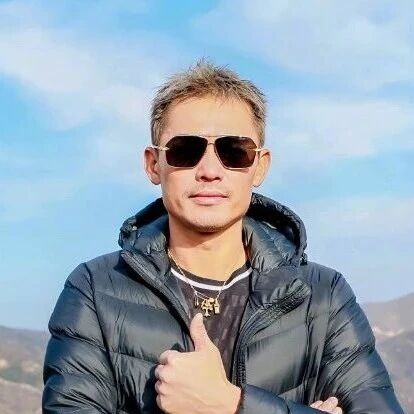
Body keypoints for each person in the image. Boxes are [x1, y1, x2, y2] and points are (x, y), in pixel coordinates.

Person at [42, 58, 405, 414]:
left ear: (259, 166)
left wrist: (231, 404)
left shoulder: (323, 296)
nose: (210, 170)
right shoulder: (96, 290)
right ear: (154, 164)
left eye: (234, 151)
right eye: (185, 150)